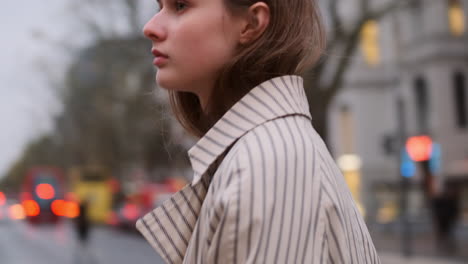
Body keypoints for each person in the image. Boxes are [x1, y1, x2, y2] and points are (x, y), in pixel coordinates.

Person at [136, 0, 381, 263]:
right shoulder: (263, 156)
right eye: (159, 7)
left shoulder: (271, 163)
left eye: (181, 6)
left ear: (251, 23)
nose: (150, 27)